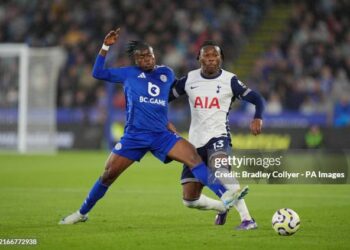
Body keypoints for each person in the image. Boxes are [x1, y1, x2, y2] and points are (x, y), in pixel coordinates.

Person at [59, 29, 248, 225]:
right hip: (135, 136)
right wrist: (105, 46)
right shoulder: (128, 74)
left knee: (193, 158)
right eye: (142, 57)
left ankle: (225, 196)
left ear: (154, 55)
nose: (147, 59)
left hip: (161, 135)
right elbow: (97, 72)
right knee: (107, 175)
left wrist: (167, 121)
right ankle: (81, 213)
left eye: (149, 54)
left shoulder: (166, 73)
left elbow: (162, 100)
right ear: (135, 60)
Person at [169, 41, 264, 230]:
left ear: (221, 59)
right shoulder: (189, 79)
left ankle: (247, 219)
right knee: (190, 200)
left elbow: (257, 98)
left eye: (215, 57)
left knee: (221, 171)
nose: (211, 60)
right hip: (194, 143)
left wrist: (258, 117)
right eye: (207, 56)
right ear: (199, 58)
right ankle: (222, 207)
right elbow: (162, 99)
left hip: (218, 136)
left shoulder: (230, 80)